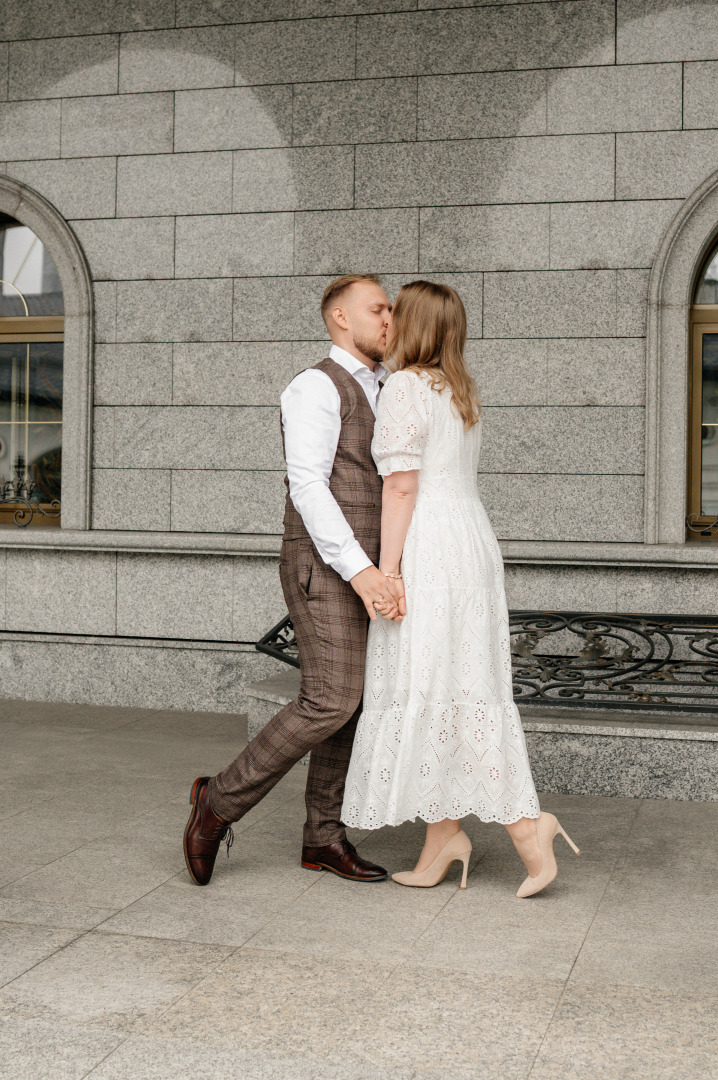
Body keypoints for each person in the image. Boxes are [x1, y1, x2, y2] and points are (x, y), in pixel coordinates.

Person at [341, 281, 581, 897]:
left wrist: (388, 571)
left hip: (429, 546)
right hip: (470, 542)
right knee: (457, 683)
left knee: (431, 681)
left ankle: (528, 828)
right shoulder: (459, 391)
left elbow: (401, 487)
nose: (387, 322)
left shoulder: (404, 387)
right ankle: (442, 838)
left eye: (396, 313)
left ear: (415, 325)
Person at [184, 273, 403, 886]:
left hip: (374, 570)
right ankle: (217, 801)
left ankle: (322, 837)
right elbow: (308, 487)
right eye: (378, 309)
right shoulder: (315, 385)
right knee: (330, 698)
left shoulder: (390, 386)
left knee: (353, 703)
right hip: (324, 565)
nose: (390, 319)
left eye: (391, 309)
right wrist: (362, 571)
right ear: (341, 317)